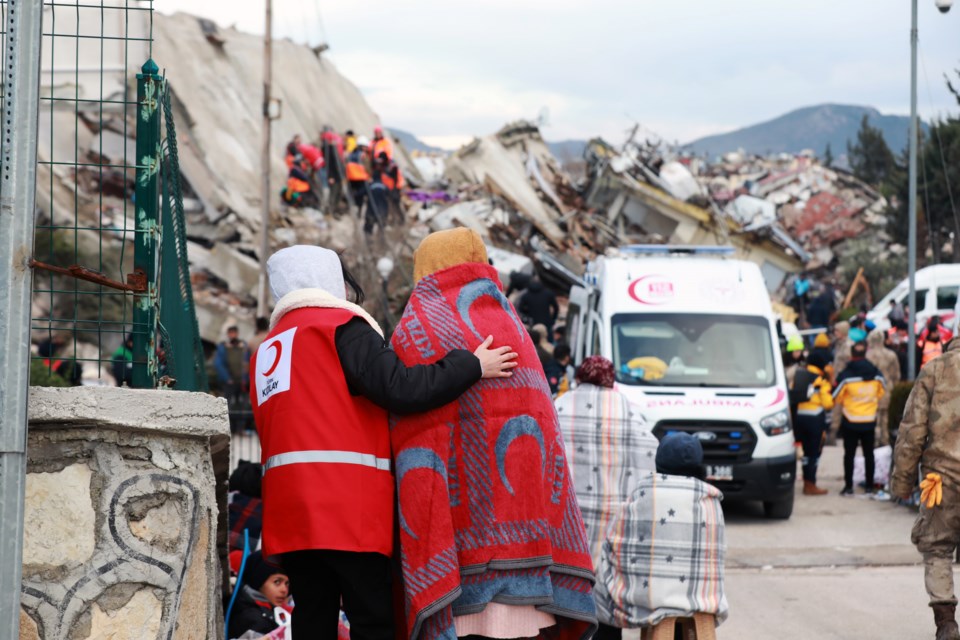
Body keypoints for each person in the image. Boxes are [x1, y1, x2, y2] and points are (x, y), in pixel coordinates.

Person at [250, 245, 518, 640]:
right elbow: (400, 388)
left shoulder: (269, 348)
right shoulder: (338, 327)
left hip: (291, 515)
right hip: (347, 509)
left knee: (312, 619)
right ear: (328, 279)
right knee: (373, 620)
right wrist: (472, 365)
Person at [389, 228, 598, 640]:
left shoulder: (419, 328)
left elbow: (406, 420)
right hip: (529, 543)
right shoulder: (514, 326)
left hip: (459, 554)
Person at [556, 356, 658, 640]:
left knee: (567, 593)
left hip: (569, 522)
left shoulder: (559, 405)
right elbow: (649, 451)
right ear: (610, 381)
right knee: (607, 595)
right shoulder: (626, 409)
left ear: (580, 377)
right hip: (612, 520)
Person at [593, 433, 727, 639]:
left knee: (601, 591)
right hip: (702, 599)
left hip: (645, 601)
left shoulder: (643, 494)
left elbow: (615, 544)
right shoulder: (711, 501)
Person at [891, 335, 960, 640]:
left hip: (940, 481)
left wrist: (902, 482)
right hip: (940, 480)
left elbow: (912, 432)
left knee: (937, 548)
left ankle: (946, 622)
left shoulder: (935, 369)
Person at [834, 342, 885, 496]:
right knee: (869, 454)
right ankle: (869, 487)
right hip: (869, 421)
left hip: (850, 421)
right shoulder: (875, 373)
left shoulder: (846, 375)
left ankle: (848, 487)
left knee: (849, 455)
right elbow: (881, 391)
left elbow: (835, 395)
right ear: (865, 354)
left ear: (852, 354)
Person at [793, 350, 834, 495]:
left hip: (799, 418)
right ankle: (811, 485)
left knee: (805, 453)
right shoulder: (821, 380)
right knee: (814, 453)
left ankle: (806, 482)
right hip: (815, 420)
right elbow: (828, 403)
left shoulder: (798, 375)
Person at [227, 551, 291, 639]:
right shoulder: (253, 619)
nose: (284, 590)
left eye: (287, 583)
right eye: (277, 582)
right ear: (258, 581)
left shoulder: (267, 610)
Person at [866, 329, 902, 447]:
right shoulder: (891, 355)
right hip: (887, 388)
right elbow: (896, 375)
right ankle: (885, 442)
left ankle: (874, 442)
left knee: (873, 417)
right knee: (885, 417)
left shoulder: (868, 356)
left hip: (872, 390)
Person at [215, 326, 251, 434]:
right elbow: (219, 364)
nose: (232, 335)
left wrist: (246, 377)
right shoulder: (223, 347)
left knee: (243, 405)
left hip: (242, 381)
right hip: (229, 381)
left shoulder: (243, 346)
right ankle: (228, 429)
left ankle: (240, 429)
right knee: (228, 405)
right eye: (230, 333)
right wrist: (227, 378)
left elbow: (247, 362)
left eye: (234, 333)